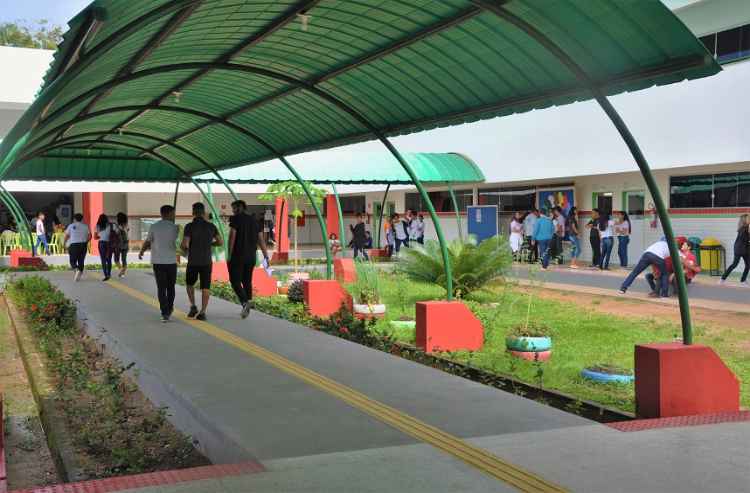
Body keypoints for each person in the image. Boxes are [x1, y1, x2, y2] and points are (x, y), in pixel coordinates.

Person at [227, 200, 269, 319]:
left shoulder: (236, 219)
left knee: (235, 280)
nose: (233, 211)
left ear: (241, 207)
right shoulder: (255, 221)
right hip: (251, 257)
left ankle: (245, 301)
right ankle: (247, 307)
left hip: (238, 256)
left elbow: (232, 238)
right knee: (247, 281)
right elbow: (261, 241)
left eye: (234, 208)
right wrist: (266, 257)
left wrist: (229, 255)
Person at [181, 202, 223, 321]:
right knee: (205, 287)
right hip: (206, 262)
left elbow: (183, 244)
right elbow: (220, 242)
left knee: (190, 284)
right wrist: (210, 244)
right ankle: (203, 313)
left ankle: (193, 306)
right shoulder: (211, 227)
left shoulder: (189, 226)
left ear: (192, 213)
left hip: (193, 262)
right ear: (204, 213)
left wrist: (187, 251)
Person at [139, 205, 180, 322]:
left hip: (158, 262)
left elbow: (147, 242)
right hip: (171, 261)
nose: (174, 215)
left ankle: (164, 313)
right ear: (168, 214)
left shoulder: (154, 227)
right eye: (173, 213)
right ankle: (170, 307)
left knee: (161, 288)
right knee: (171, 287)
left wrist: (141, 252)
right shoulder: (175, 228)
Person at [718, 214, 750, 286]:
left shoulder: (747, 227)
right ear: (744, 220)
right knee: (734, 264)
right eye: (748, 218)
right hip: (739, 248)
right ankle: (722, 278)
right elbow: (743, 237)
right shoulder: (744, 228)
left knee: (748, 265)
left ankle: (743, 279)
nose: (749, 219)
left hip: (746, 249)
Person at [62, 213, 91, 282]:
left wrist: (64, 244)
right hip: (83, 244)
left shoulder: (71, 226)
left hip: (73, 245)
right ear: (82, 219)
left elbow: (67, 236)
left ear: (74, 219)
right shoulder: (86, 226)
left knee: (72, 260)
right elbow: (90, 236)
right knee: (81, 261)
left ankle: (76, 270)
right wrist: (86, 241)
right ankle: (79, 275)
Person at [93, 213, 115, 280]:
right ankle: (109, 273)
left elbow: (95, 237)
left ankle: (106, 274)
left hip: (102, 242)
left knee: (103, 259)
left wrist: (100, 236)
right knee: (109, 259)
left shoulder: (98, 226)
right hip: (110, 243)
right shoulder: (111, 225)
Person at [113, 212, 130, 277]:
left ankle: (120, 269)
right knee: (124, 259)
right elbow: (128, 230)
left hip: (118, 244)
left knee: (116, 259)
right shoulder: (127, 225)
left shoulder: (115, 225)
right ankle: (123, 273)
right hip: (125, 244)